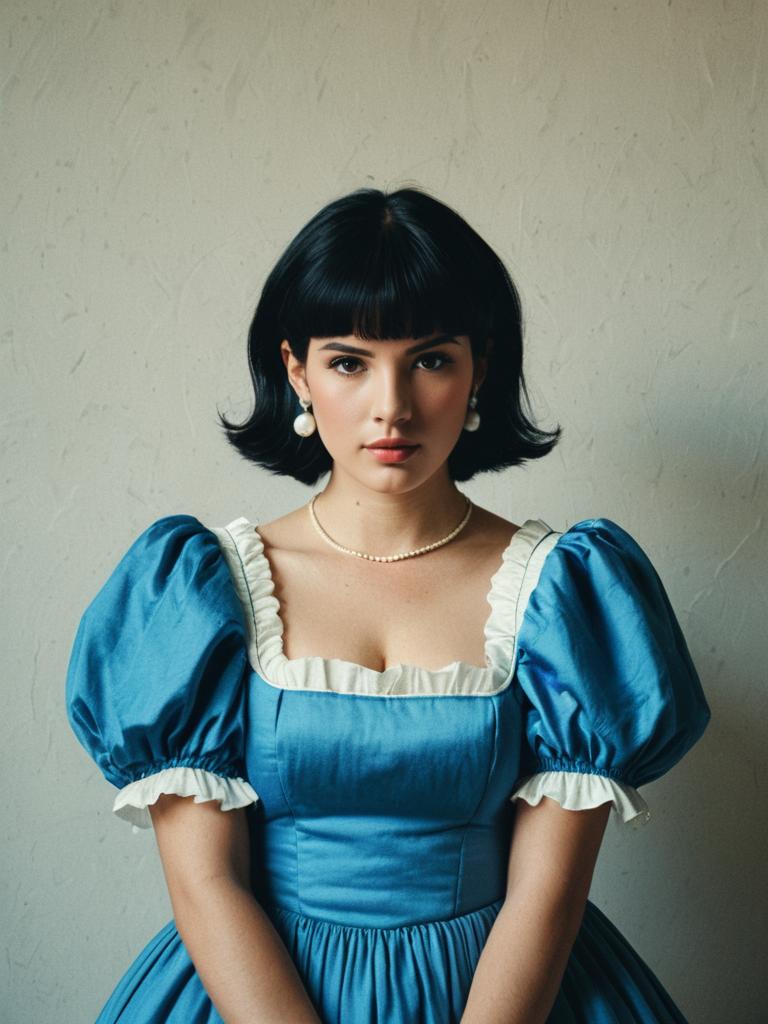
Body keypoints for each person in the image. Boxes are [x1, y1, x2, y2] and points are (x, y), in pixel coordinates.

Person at [65, 185, 712, 1024]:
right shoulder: (202, 589)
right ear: (296, 369)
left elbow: (546, 895)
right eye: (349, 361)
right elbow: (205, 882)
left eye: (431, 359)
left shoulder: (564, 591)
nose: (392, 405)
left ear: (480, 365)